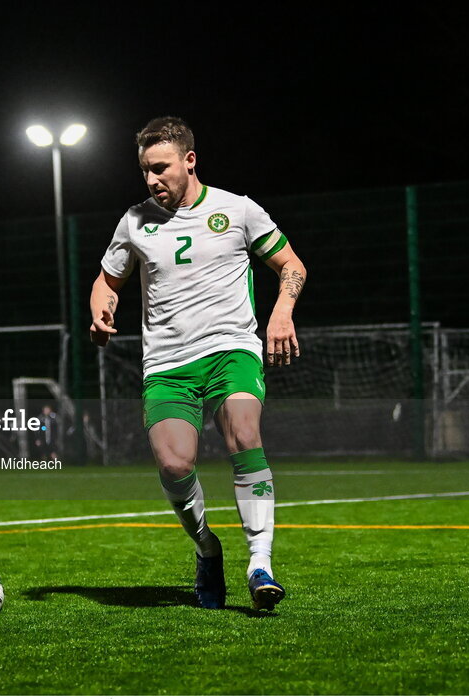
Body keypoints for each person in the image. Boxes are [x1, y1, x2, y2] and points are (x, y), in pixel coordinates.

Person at [89, 117, 306, 611]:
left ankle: (260, 563)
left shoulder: (238, 210)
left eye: (160, 168)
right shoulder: (134, 221)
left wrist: (282, 312)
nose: (151, 179)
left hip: (231, 347)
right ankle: (208, 547)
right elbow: (106, 280)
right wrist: (100, 309)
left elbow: (291, 265)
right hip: (167, 362)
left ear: (189, 161)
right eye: (145, 170)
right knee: (173, 462)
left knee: (244, 434)